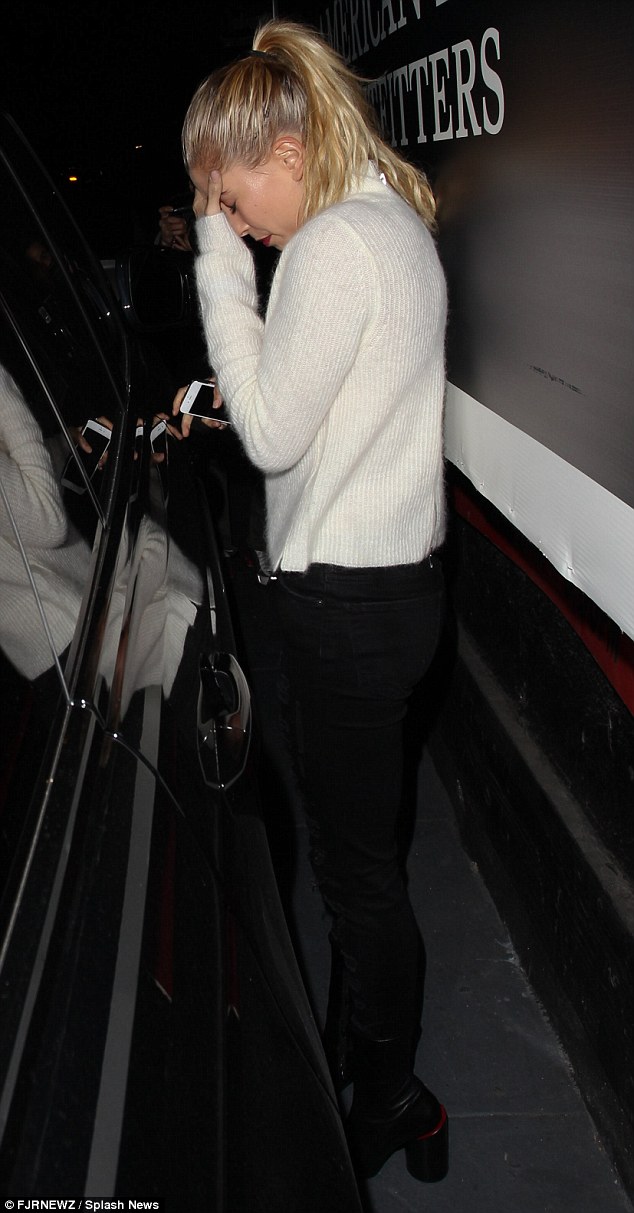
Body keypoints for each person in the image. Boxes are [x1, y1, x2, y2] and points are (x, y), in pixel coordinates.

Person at [177, 19, 448, 1182]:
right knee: (362, 859)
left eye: (236, 200)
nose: (239, 224)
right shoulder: (385, 224)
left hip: (346, 610)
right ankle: (362, 1057)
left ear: (286, 150)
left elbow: (273, 432)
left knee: (356, 880)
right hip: (388, 598)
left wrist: (217, 269)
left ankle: (392, 1098)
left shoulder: (336, 245)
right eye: (227, 217)